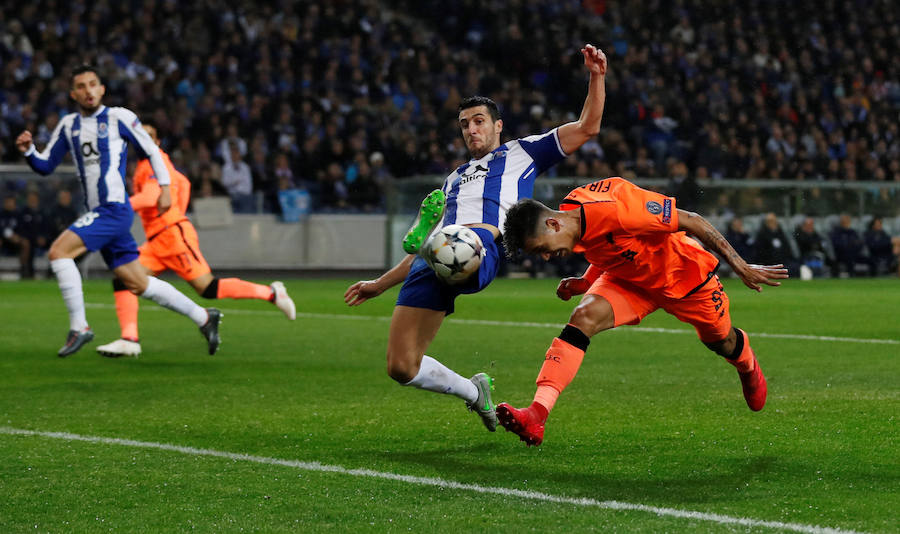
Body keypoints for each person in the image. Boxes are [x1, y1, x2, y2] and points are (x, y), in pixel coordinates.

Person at [344, 44, 609, 432]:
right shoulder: (452, 180)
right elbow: (428, 248)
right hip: (440, 256)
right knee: (401, 366)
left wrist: (597, 76)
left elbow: (588, 127)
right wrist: (378, 285)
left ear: (497, 126)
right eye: (465, 124)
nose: (472, 129)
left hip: (482, 249)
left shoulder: (523, 152)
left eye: (479, 121)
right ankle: (474, 392)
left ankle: (448, 240)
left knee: (455, 241)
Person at [497, 178, 788, 446]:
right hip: (630, 281)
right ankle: (537, 414)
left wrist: (741, 266)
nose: (546, 257)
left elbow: (692, 220)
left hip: (683, 277)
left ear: (553, 224)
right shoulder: (573, 221)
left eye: (541, 249)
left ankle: (746, 362)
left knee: (722, 341)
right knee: (582, 319)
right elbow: (607, 246)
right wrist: (585, 283)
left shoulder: (617, 209)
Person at [15, 64, 221, 357]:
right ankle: (204, 317)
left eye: (93, 84)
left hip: (114, 209)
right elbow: (45, 166)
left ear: (102, 89)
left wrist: (164, 186)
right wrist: (28, 152)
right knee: (136, 282)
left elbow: (150, 150)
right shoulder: (69, 125)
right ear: (73, 94)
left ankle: (80, 327)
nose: (89, 90)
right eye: (82, 86)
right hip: (101, 212)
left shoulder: (118, 117)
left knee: (59, 252)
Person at [95, 121, 296, 358]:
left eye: (149, 136)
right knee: (124, 278)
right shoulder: (153, 162)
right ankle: (129, 338)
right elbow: (184, 182)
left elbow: (150, 197)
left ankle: (271, 293)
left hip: (173, 237)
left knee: (208, 288)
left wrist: (117, 209)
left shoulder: (153, 160)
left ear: (157, 142)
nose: (144, 140)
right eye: (139, 136)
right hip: (158, 240)